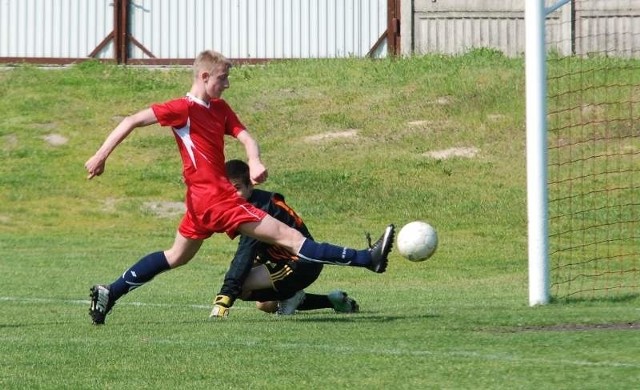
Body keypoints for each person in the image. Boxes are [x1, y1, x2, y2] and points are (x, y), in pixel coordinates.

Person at [85, 49, 395, 325]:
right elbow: (131, 120)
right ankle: (367, 258)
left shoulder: (220, 108)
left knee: (176, 256)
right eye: (222, 78)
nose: (227, 84)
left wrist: (255, 160)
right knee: (291, 238)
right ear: (204, 76)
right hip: (217, 200)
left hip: (199, 203)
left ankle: (109, 292)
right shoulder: (183, 108)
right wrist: (100, 156)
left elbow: (245, 136)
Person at [209, 159, 361, 318]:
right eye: (227, 190)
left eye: (237, 188)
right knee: (265, 305)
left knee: (239, 285)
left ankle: (289, 296)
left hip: (300, 263)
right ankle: (332, 301)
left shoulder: (257, 208)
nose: (232, 195)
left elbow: (245, 252)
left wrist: (225, 297)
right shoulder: (256, 201)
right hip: (292, 260)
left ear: (251, 185)